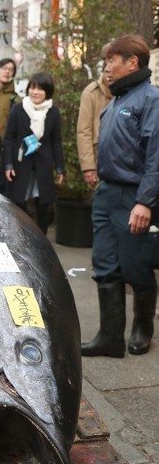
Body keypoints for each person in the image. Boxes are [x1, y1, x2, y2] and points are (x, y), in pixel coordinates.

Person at [81, 35, 159, 358]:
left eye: (112, 61)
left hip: (134, 195)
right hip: (107, 192)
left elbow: (156, 155)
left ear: (132, 62)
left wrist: (145, 201)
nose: (107, 68)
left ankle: (143, 327)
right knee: (105, 264)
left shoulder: (150, 99)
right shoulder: (116, 102)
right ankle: (110, 337)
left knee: (135, 264)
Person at [3, 72, 65, 234]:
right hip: (20, 162)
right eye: (32, 87)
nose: (35, 92)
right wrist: (8, 164)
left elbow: (56, 141)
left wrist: (59, 168)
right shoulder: (18, 109)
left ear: (48, 91)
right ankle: (17, 236)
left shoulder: (53, 112)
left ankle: (41, 240)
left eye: (40, 89)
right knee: (17, 203)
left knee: (43, 204)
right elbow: (9, 137)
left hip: (43, 164)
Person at [77, 45, 112, 189]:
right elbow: (84, 131)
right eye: (108, 61)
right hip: (99, 161)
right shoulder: (91, 92)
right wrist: (88, 166)